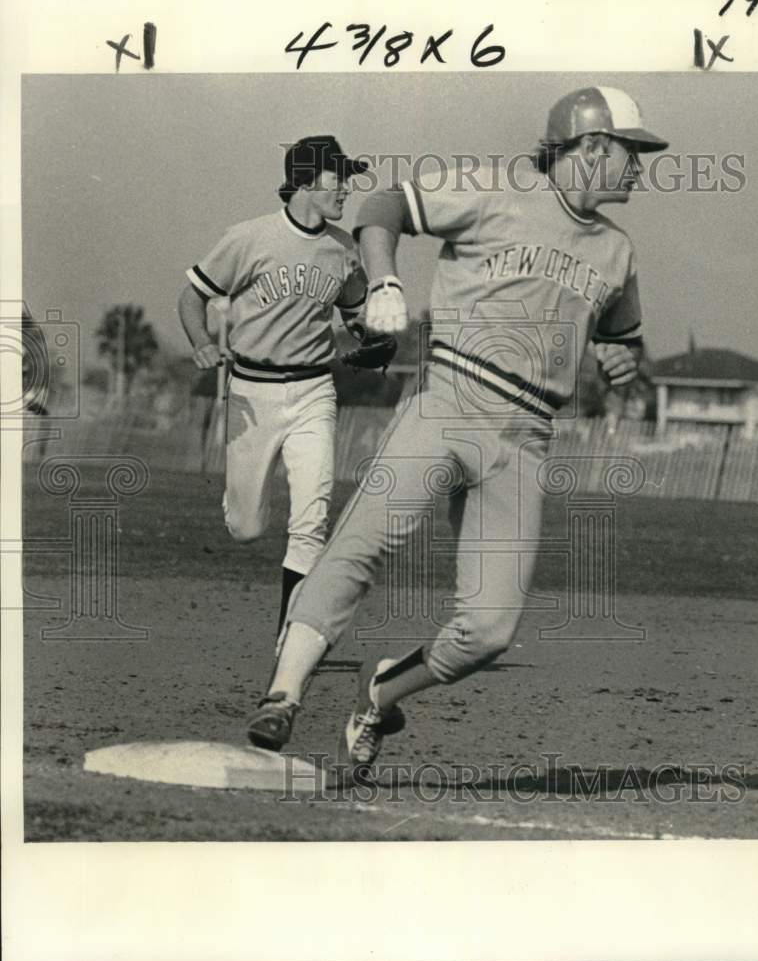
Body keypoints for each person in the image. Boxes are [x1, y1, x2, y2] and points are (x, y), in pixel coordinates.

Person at [245, 87, 669, 780]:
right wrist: (383, 281)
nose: (639, 167)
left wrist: (624, 360)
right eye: (632, 150)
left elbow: (623, 343)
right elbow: (385, 206)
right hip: (449, 400)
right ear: (590, 147)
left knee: (488, 631)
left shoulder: (617, 253)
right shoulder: (495, 189)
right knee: (360, 543)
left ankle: (377, 695)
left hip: (526, 437)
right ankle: (282, 695)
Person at [178, 135, 371, 636]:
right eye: (338, 177)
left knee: (311, 521)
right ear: (306, 180)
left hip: (314, 392)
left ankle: (291, 638)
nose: (346, 188)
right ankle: (239, 507)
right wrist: (201, 342)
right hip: (252, 392)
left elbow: (355, 315)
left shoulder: (343, 248)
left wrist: (375, 339)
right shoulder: (249, 237)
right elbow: (191, 296)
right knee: (246, 527)